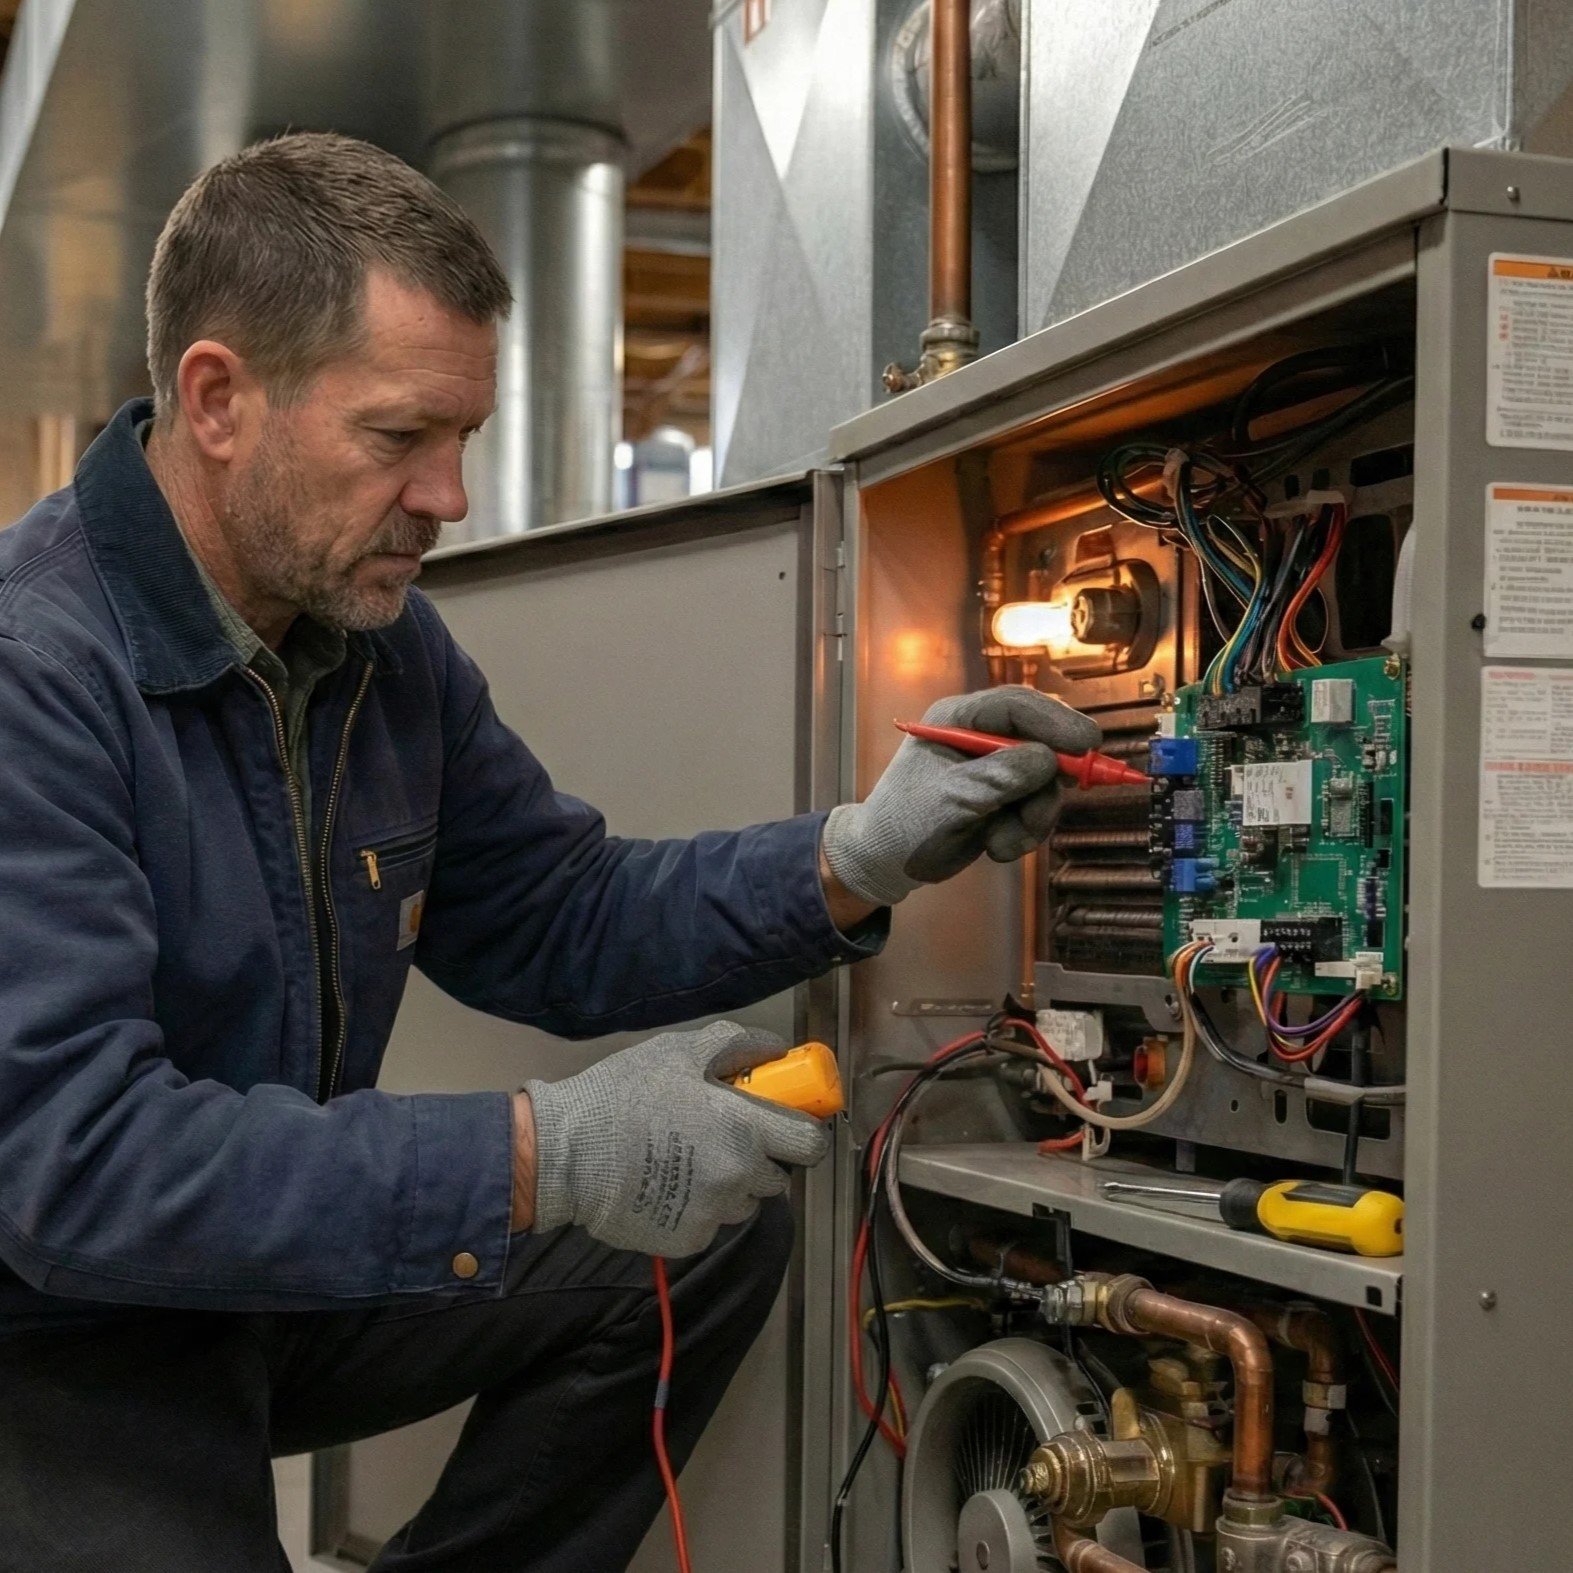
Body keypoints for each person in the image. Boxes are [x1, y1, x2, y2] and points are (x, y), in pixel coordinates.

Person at [0, 132, 1099, 1572]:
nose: (448, 498)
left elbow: (558, 914)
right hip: (55, 1329)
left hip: (247, 1283)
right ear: (218, 398)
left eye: (463, 437)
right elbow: (72, 1166)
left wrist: (855, 855)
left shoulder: (376, 651)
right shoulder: (35, 669)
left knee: (697, 1243)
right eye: (399, 438)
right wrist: (536, 1153)